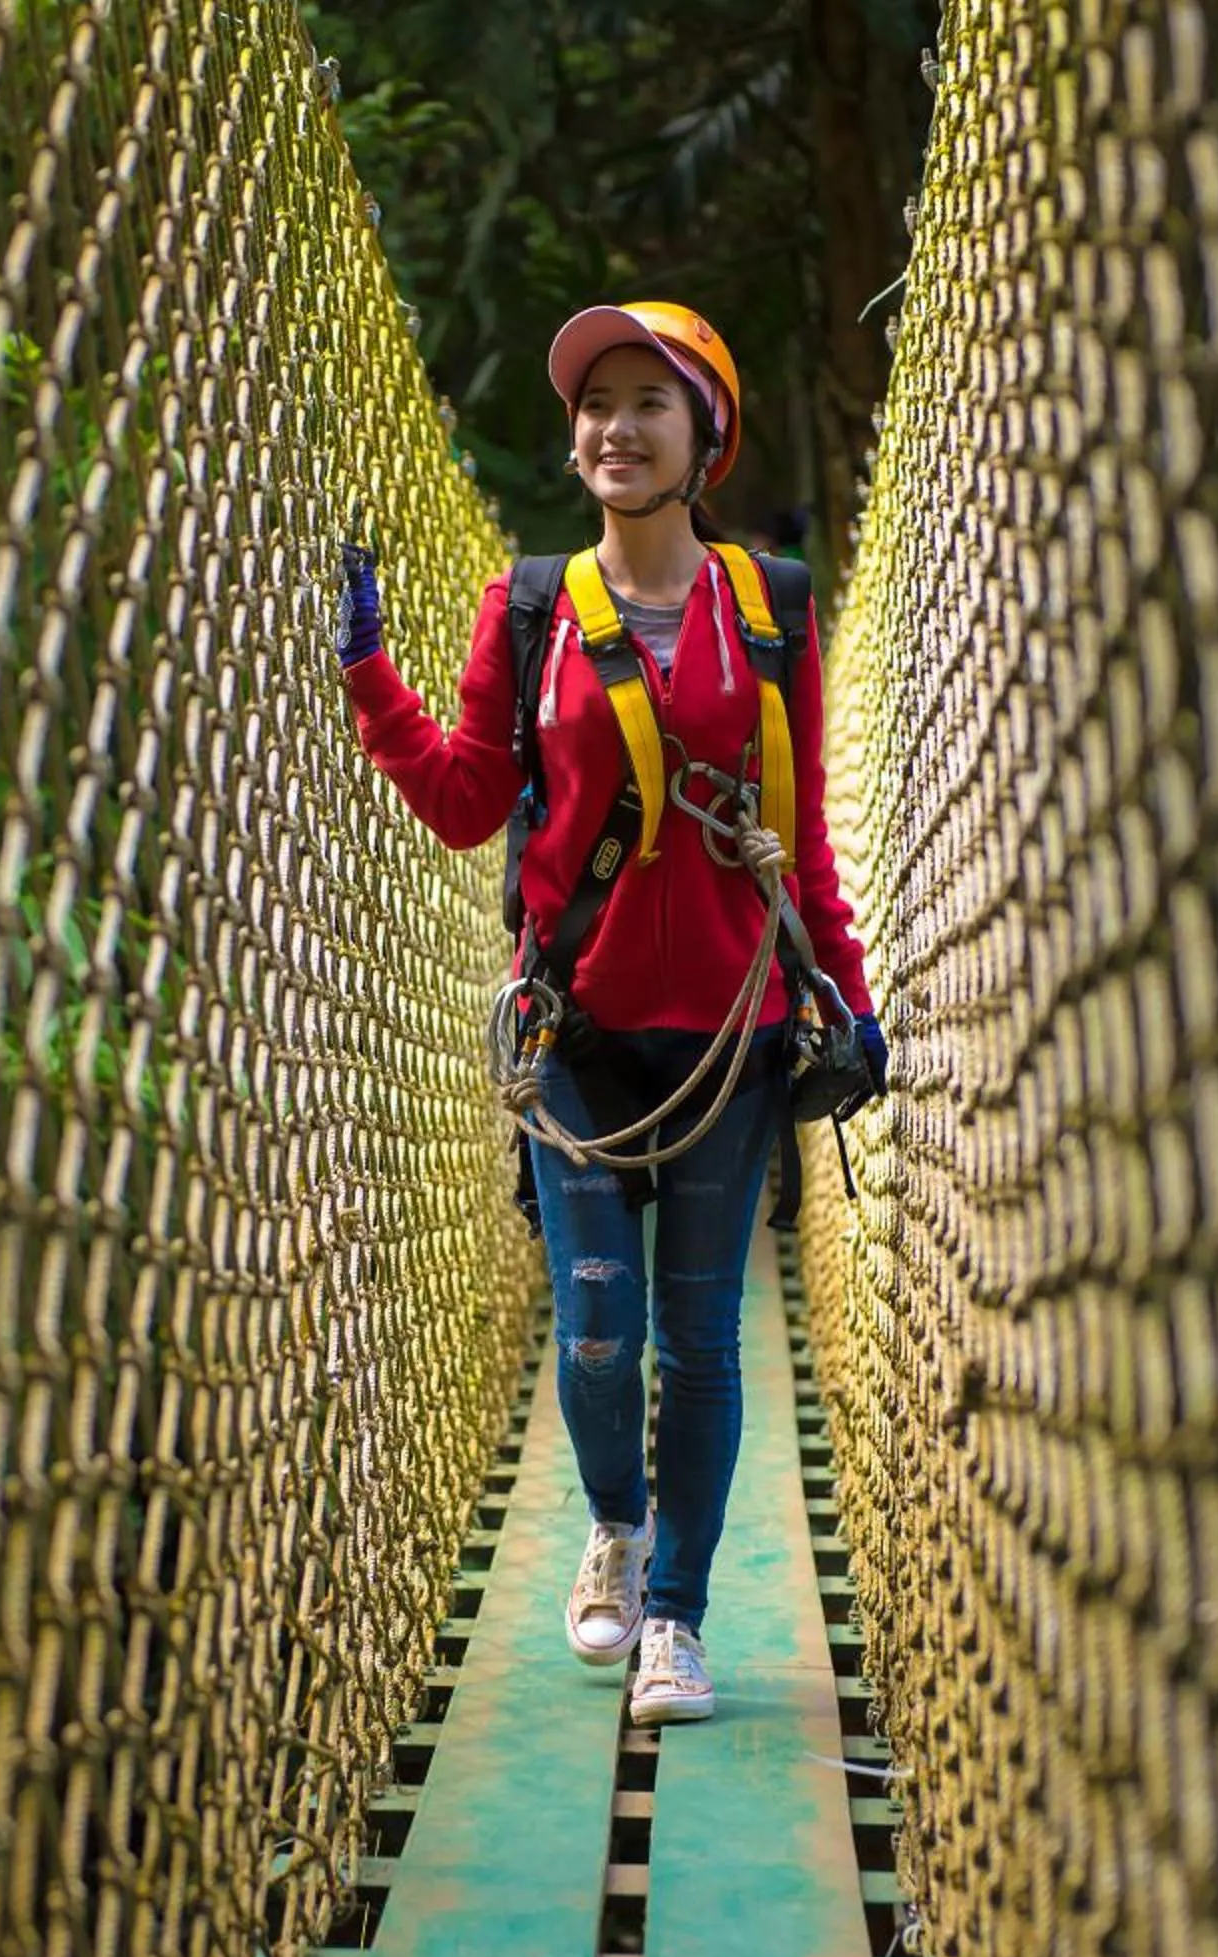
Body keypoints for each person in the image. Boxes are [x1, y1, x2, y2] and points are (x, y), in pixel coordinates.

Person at [330, 300, 886, 1726]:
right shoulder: (529, 610)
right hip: (572, 1033)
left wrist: (846, 992)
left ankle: (678, 1623)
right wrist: (370, 680)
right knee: (594, 1326)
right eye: (596, 404)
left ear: (708, 436)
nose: (614, 428)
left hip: (731, 1037)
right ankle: (618, 1530)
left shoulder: (771, 610)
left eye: (650, 402)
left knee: (699, 1340)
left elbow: (803, 835)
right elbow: (469, 800)